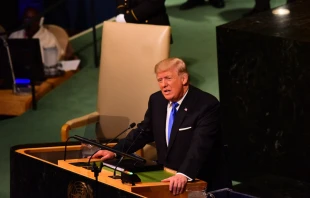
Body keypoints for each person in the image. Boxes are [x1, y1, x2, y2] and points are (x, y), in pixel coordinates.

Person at [92, 57, 232, 195]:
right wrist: (115, 151)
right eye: (160, 80)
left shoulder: (205, 105)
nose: (163, 85)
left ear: (184, 79)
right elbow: (144, 132)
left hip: (201, 180)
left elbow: (200, 145)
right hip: (166, 178)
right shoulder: (157, 100)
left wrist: (184, 174)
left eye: (168, 78)